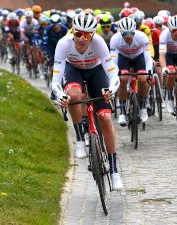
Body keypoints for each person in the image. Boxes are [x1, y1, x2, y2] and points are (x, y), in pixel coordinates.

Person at [51, 13, 123, 190]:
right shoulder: (63, 44)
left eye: (87, 35)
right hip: (73, 69)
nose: (82, 38)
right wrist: (62, 96)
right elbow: (55, 81)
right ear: (73, 32)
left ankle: (114, 171)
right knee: (74, 96)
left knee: (105, 118)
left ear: (93, 35)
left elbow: (113, 74)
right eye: (78, 34)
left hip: (95, 70)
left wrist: (110, 90)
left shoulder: (99, 43)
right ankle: (80, 140)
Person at [110, 17, 153, 125]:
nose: (128, 36)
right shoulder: (115, 39)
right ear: (120, 33)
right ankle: (123, 112)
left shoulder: (142, 37)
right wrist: (116, 74)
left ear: (135, 31)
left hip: (138, 57)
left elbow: (147, 57)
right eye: (125, 34)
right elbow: (113, 60)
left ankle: (143, 106)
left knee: (143, 78)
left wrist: (149, 72)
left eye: (131, 33)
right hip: (123, 58)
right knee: (123, 79)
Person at [44, 13, 69, 99]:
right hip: (52, 49)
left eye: (57, 24)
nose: (56, 26)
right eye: (53, 25)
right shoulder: (47, 30)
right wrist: (47, 54)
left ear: (60, 23)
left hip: (63, 49)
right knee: (52, 70)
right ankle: (54, 89)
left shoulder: (65, 29)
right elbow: (45, 43)